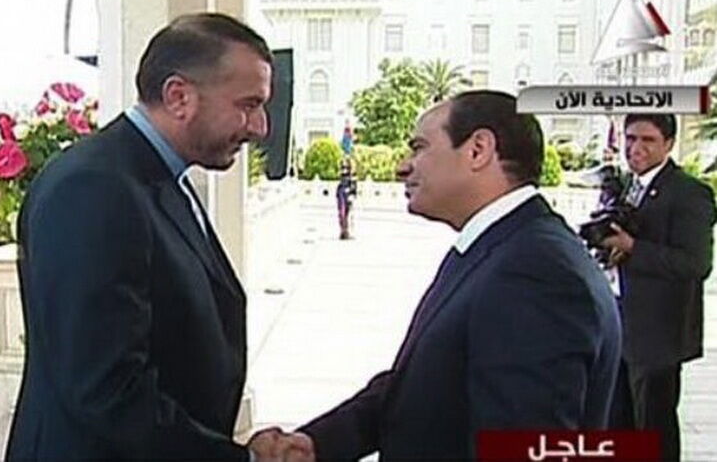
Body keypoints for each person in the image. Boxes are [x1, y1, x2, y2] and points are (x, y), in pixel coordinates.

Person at [253, 90, 622, 460]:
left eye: (419, 147)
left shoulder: (537, 272)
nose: (403, 167)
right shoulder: (499, 248)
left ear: (478, 150)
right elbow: (425, 385)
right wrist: (320, 443)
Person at [6, 13, 276, 460]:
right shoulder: (95, 187)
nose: (260, 127)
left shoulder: (151, 176)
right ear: (178, 96)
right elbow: (107, 389)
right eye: (248, 105)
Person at [603, 113, 716, 461]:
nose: (635, 148)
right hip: (619, 327)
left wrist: (634, 248)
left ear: (668, 144)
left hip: (658, 336)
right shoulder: (625, 186)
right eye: (630, 138)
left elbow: (696, 263)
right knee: (616, 421)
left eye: (647, 140)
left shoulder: (689, 193)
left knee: (653, 427)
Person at [335, 159, 357, 240]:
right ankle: (342, 231)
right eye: (343, 167)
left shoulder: (352, 176)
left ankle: (347, 231)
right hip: (341, 194)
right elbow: (340, 186)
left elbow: (354, 186)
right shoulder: (342, 175)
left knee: (347, 214)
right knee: (342, 213)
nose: (344, 169)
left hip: (348, 195)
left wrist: (352, 194)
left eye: (346, 167)